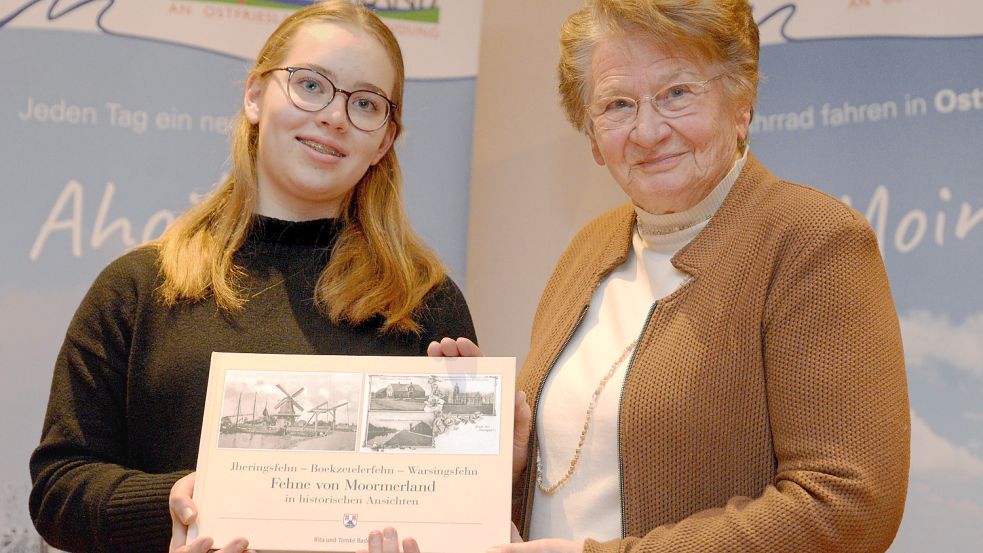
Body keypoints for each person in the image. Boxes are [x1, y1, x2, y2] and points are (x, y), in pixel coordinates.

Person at [371, 1, 910, 552]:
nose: (648, 130)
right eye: (617, 104)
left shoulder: (812, 241)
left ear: (741, 103)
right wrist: (505, 466)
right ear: (592, 137)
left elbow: (847, 504)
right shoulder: (589, 249)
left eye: (677, 92)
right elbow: (578, 485)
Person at [28, 2, 476, 552]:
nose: (334, 116)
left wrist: (478, 447)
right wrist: (174, 504)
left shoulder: (425, 303)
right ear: (255, 96)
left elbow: (459, 510)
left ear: (383, 141)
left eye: (365, 102)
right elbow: (58, 489)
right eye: (311, 85)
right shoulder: (138, 289)